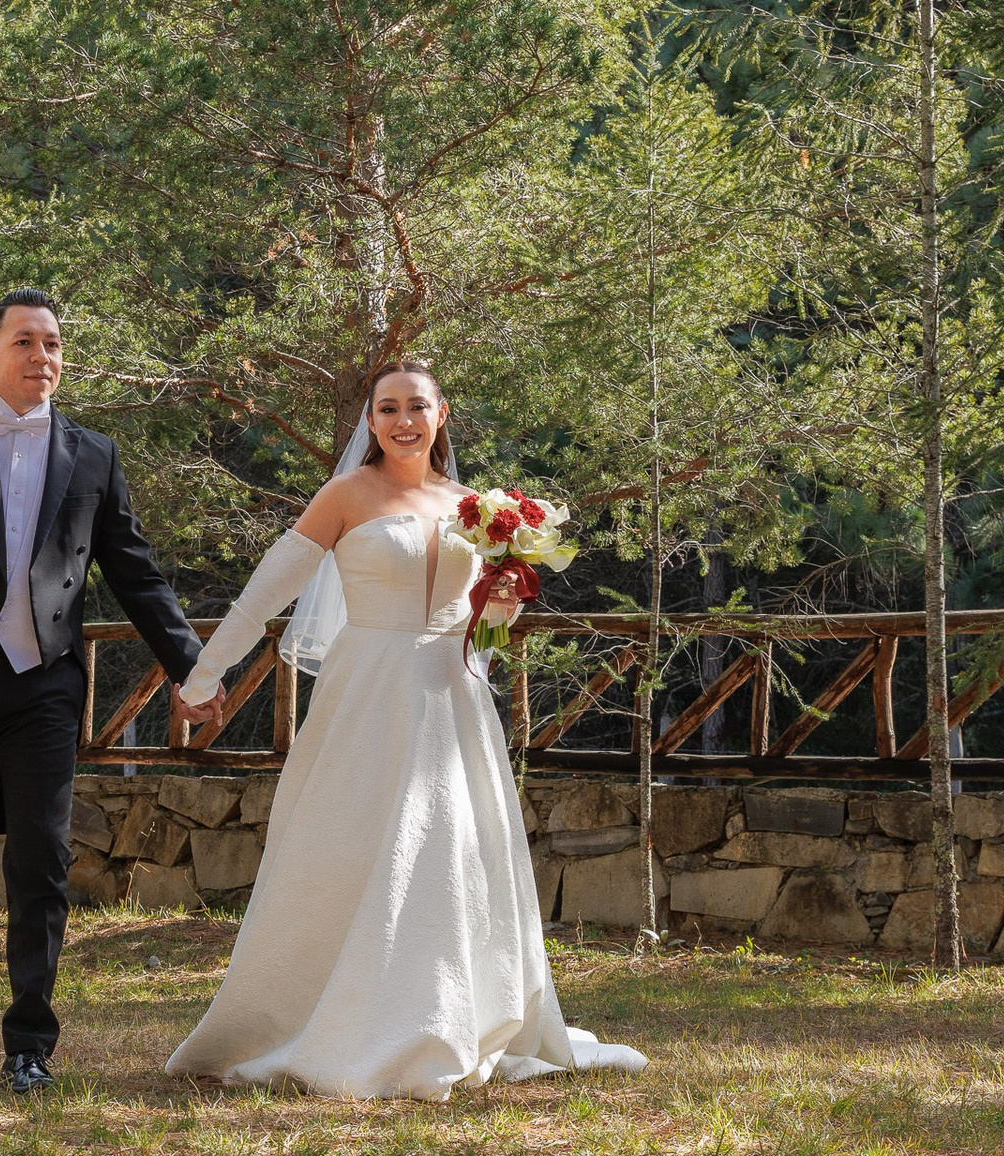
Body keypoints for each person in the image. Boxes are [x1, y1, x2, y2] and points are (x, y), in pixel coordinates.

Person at [166, 361, 646, 1100]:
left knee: (450, 848)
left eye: (416, 406)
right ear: (371, 420)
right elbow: (265, 593)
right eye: (387, 408)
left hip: (453, 694)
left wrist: (505, 599)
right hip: (367, 692)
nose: (402, 421)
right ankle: (333, 1018)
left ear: (441, 413)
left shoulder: (473, 508)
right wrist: (203, 677)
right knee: (352, 846)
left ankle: (449, 1015)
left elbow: (487, 627)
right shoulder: (345, 495)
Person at [0, 289, 224, 1094]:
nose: (43, 356)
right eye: (25, 342)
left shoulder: (93, 453)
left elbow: (136, 573)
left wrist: (192, 668)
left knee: (42, 861)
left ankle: (30, 1043)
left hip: (46, 685)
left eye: (53, 343)